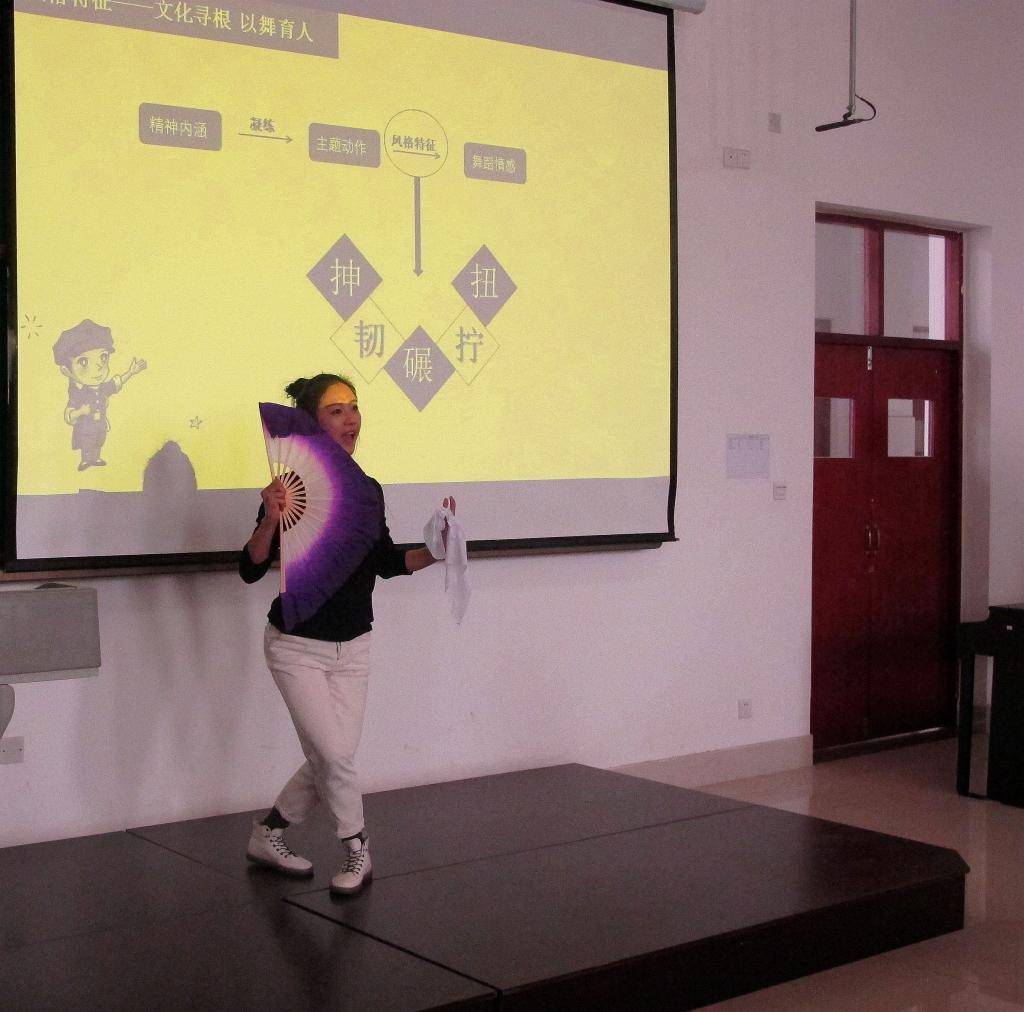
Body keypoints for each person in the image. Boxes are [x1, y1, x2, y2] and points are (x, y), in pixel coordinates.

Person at [239, 372, 452, 896]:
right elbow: (250, 567)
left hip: (354, 646)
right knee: (334, 757)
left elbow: (385, 561)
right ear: (313, 424)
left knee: (330, 758)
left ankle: (269, 833)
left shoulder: (367, 491)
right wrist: (269, 519)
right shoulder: (289, 488)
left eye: (354, 407)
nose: (350, 419)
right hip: (296, 646)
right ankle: (357, 847)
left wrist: (437, 550)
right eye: (336, 410)